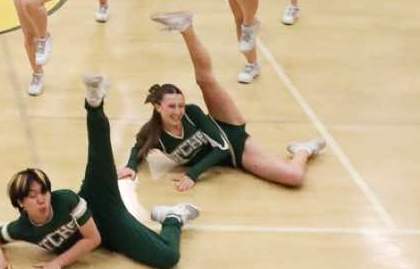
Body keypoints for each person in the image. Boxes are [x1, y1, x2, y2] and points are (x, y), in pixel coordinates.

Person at [0, 72, 197, 269]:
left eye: (44, 192)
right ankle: (173, 216)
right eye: (32, 196)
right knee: (167, 258)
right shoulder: (23, 228)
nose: (41, 199)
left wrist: (58, 262)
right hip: (103, 234)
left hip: (107, 211)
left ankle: (94, 103)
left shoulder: (65, 200)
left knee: (99, 155)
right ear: (20, 203)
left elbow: (92, 239)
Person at [128, 11, 326, 189]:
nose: (178, 111)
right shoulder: (153, 133)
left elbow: (222, 147)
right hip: (233, 158)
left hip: (233, 138)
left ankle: (186, 28)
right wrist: (131, 167)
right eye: (172, 106)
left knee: (205, 79)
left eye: (180, 105)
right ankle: (303, 149)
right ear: (157, 107)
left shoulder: (191, 113)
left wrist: (193, 174)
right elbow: (138, 148)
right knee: (293, 177)